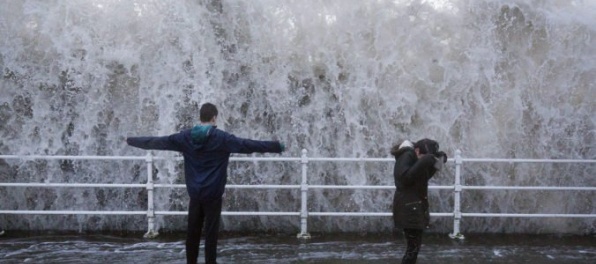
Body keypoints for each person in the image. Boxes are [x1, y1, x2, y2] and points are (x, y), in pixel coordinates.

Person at [126, 102, 285, 264]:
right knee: (211, 233)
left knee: (192, 232)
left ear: (200, 117)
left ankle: (191, 262)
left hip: (195, 193)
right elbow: (249, 145)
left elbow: (158, 141)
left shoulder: (185, 137)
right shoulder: (223, 139)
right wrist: (276, 146)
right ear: (214, 118)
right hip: (213, 194)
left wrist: (131, 140)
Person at [390, 138, 447, 264]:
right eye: (423, 157)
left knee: (413, 250)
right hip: (408, 209)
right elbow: (403, 179)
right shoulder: (406, 155)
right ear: (416, 151)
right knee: (412, 251)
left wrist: (441, 158)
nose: (424, 161)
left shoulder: (415, 160)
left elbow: (428, 172)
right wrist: (426, 160)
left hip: (415, 208)